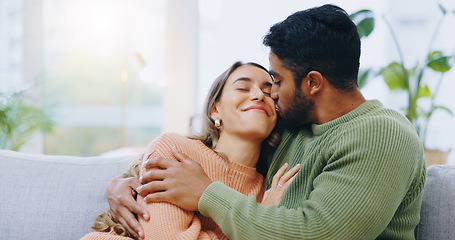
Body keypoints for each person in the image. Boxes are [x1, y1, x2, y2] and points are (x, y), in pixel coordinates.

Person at [108, 4, 426, 239]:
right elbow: (219, 155)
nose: (269, 93)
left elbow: (317, 234)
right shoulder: (291, 125)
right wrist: (122, 184)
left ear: (312, 83)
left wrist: (207, 193)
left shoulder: (382, 134)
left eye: (276, 80)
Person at [81, 61, 301, 240]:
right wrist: (253, 224)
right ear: (215, 109)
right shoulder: (175, 149)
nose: (259, 95)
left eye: (268, 91)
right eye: (243, 87)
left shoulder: (268, 191)